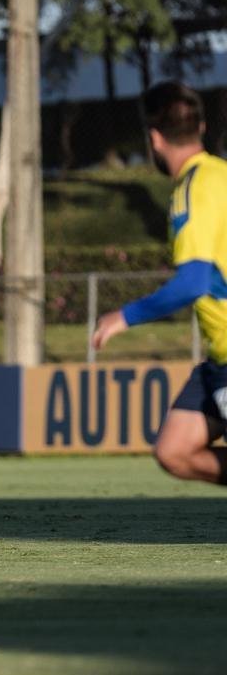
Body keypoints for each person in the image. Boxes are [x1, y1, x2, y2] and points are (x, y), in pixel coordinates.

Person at [92, 81, 227, 487]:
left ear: (154, 138)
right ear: (201, 127)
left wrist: (125, 316)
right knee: (175, 449)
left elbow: (194, 282)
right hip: (218, 359)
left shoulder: (193, 189)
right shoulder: (221, 175)